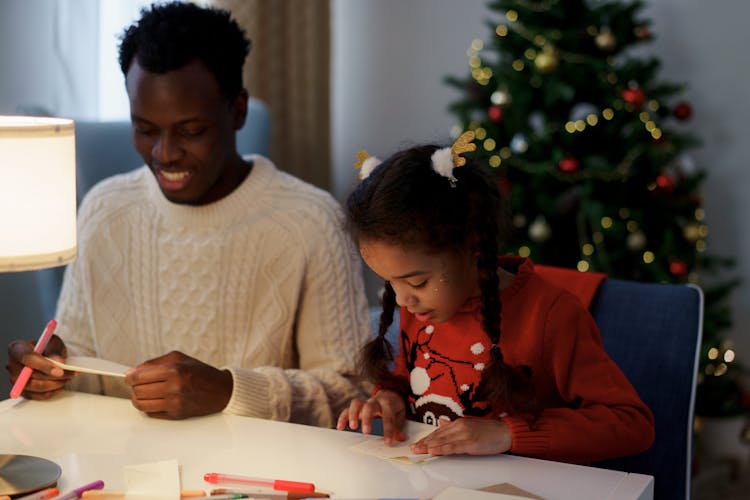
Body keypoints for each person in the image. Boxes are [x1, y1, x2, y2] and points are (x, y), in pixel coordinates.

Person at [6, 1, 372, 425]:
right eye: (145, 129)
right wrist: (50, 372)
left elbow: (354, 394)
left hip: (253, 479)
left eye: (191, 131)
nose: (164, 153)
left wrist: (229, 390)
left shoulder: (311, 222)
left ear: (236, 111)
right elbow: (79, 361)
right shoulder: (104, 210)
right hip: (122, 475)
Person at [336, 133, 655, 464]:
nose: (403, 301)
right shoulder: (424, 308)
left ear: (472, 246)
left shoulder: (551, 316)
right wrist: (388, 398)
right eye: (391, 283)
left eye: (417, 281)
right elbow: (407, 380)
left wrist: (508, 434)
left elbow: (631, 423)